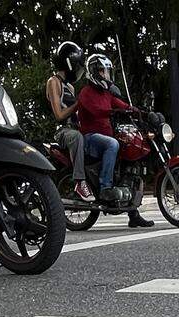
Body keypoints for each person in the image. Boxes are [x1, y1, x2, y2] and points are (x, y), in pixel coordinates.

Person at [74, 54, 152, 227]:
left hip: (106, 136)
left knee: (129, 148)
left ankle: (133, 213)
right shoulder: (86, 93)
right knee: (113, 144)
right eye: (102, 71)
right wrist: (113, 111)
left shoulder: (106, 93)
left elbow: (120, 104)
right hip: (90, 139)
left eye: (107, 71)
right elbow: (97, 110)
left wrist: (137, 111)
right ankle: (105, 187)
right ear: (94, 72)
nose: (106, 75)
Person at [46, 41, 91, 202]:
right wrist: (79, 103)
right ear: (69, 64)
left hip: (77, 128)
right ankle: (80, 181)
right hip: (64, 131)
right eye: (77, 65)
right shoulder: (54, 82)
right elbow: (59, 114)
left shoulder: (70, 87)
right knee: (76, 137)